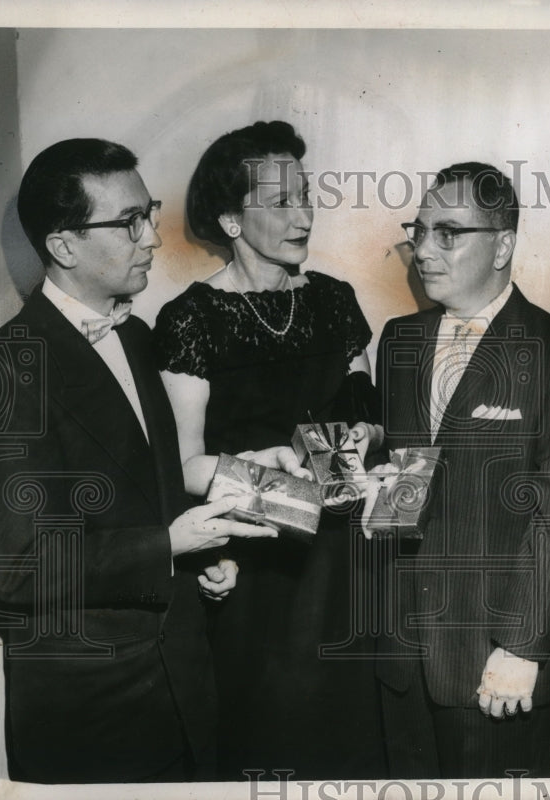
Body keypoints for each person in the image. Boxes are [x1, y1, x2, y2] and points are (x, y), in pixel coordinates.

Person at [0, 138, 278, 783]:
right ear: (63, 246)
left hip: (180, 686)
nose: (151, 237)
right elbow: (19, 571)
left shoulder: (138, 336)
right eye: (129, 222)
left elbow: (151, 488)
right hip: (91, 710)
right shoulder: (10, 367)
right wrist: (168, 545)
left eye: (146, 212)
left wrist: (204, 553)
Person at [153, 120, 386, 779]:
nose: (303, 214)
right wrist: (266, 476)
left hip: (345, 564)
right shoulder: (193, 318)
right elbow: (183, 465)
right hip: (255, 573)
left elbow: (361, 420)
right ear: (230, 218)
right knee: (271, 746)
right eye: (280, 202)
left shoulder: (335, 301)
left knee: (356, 747)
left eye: (305, 196)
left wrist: (361, 442)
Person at [371, 162, 550, 778]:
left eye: (448, 233)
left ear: (503, 246)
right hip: (399, 657)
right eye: (418, 231)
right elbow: (407, 478)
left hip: (493, 668)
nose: (424, 250)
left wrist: (522, 647)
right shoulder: (398, 341)